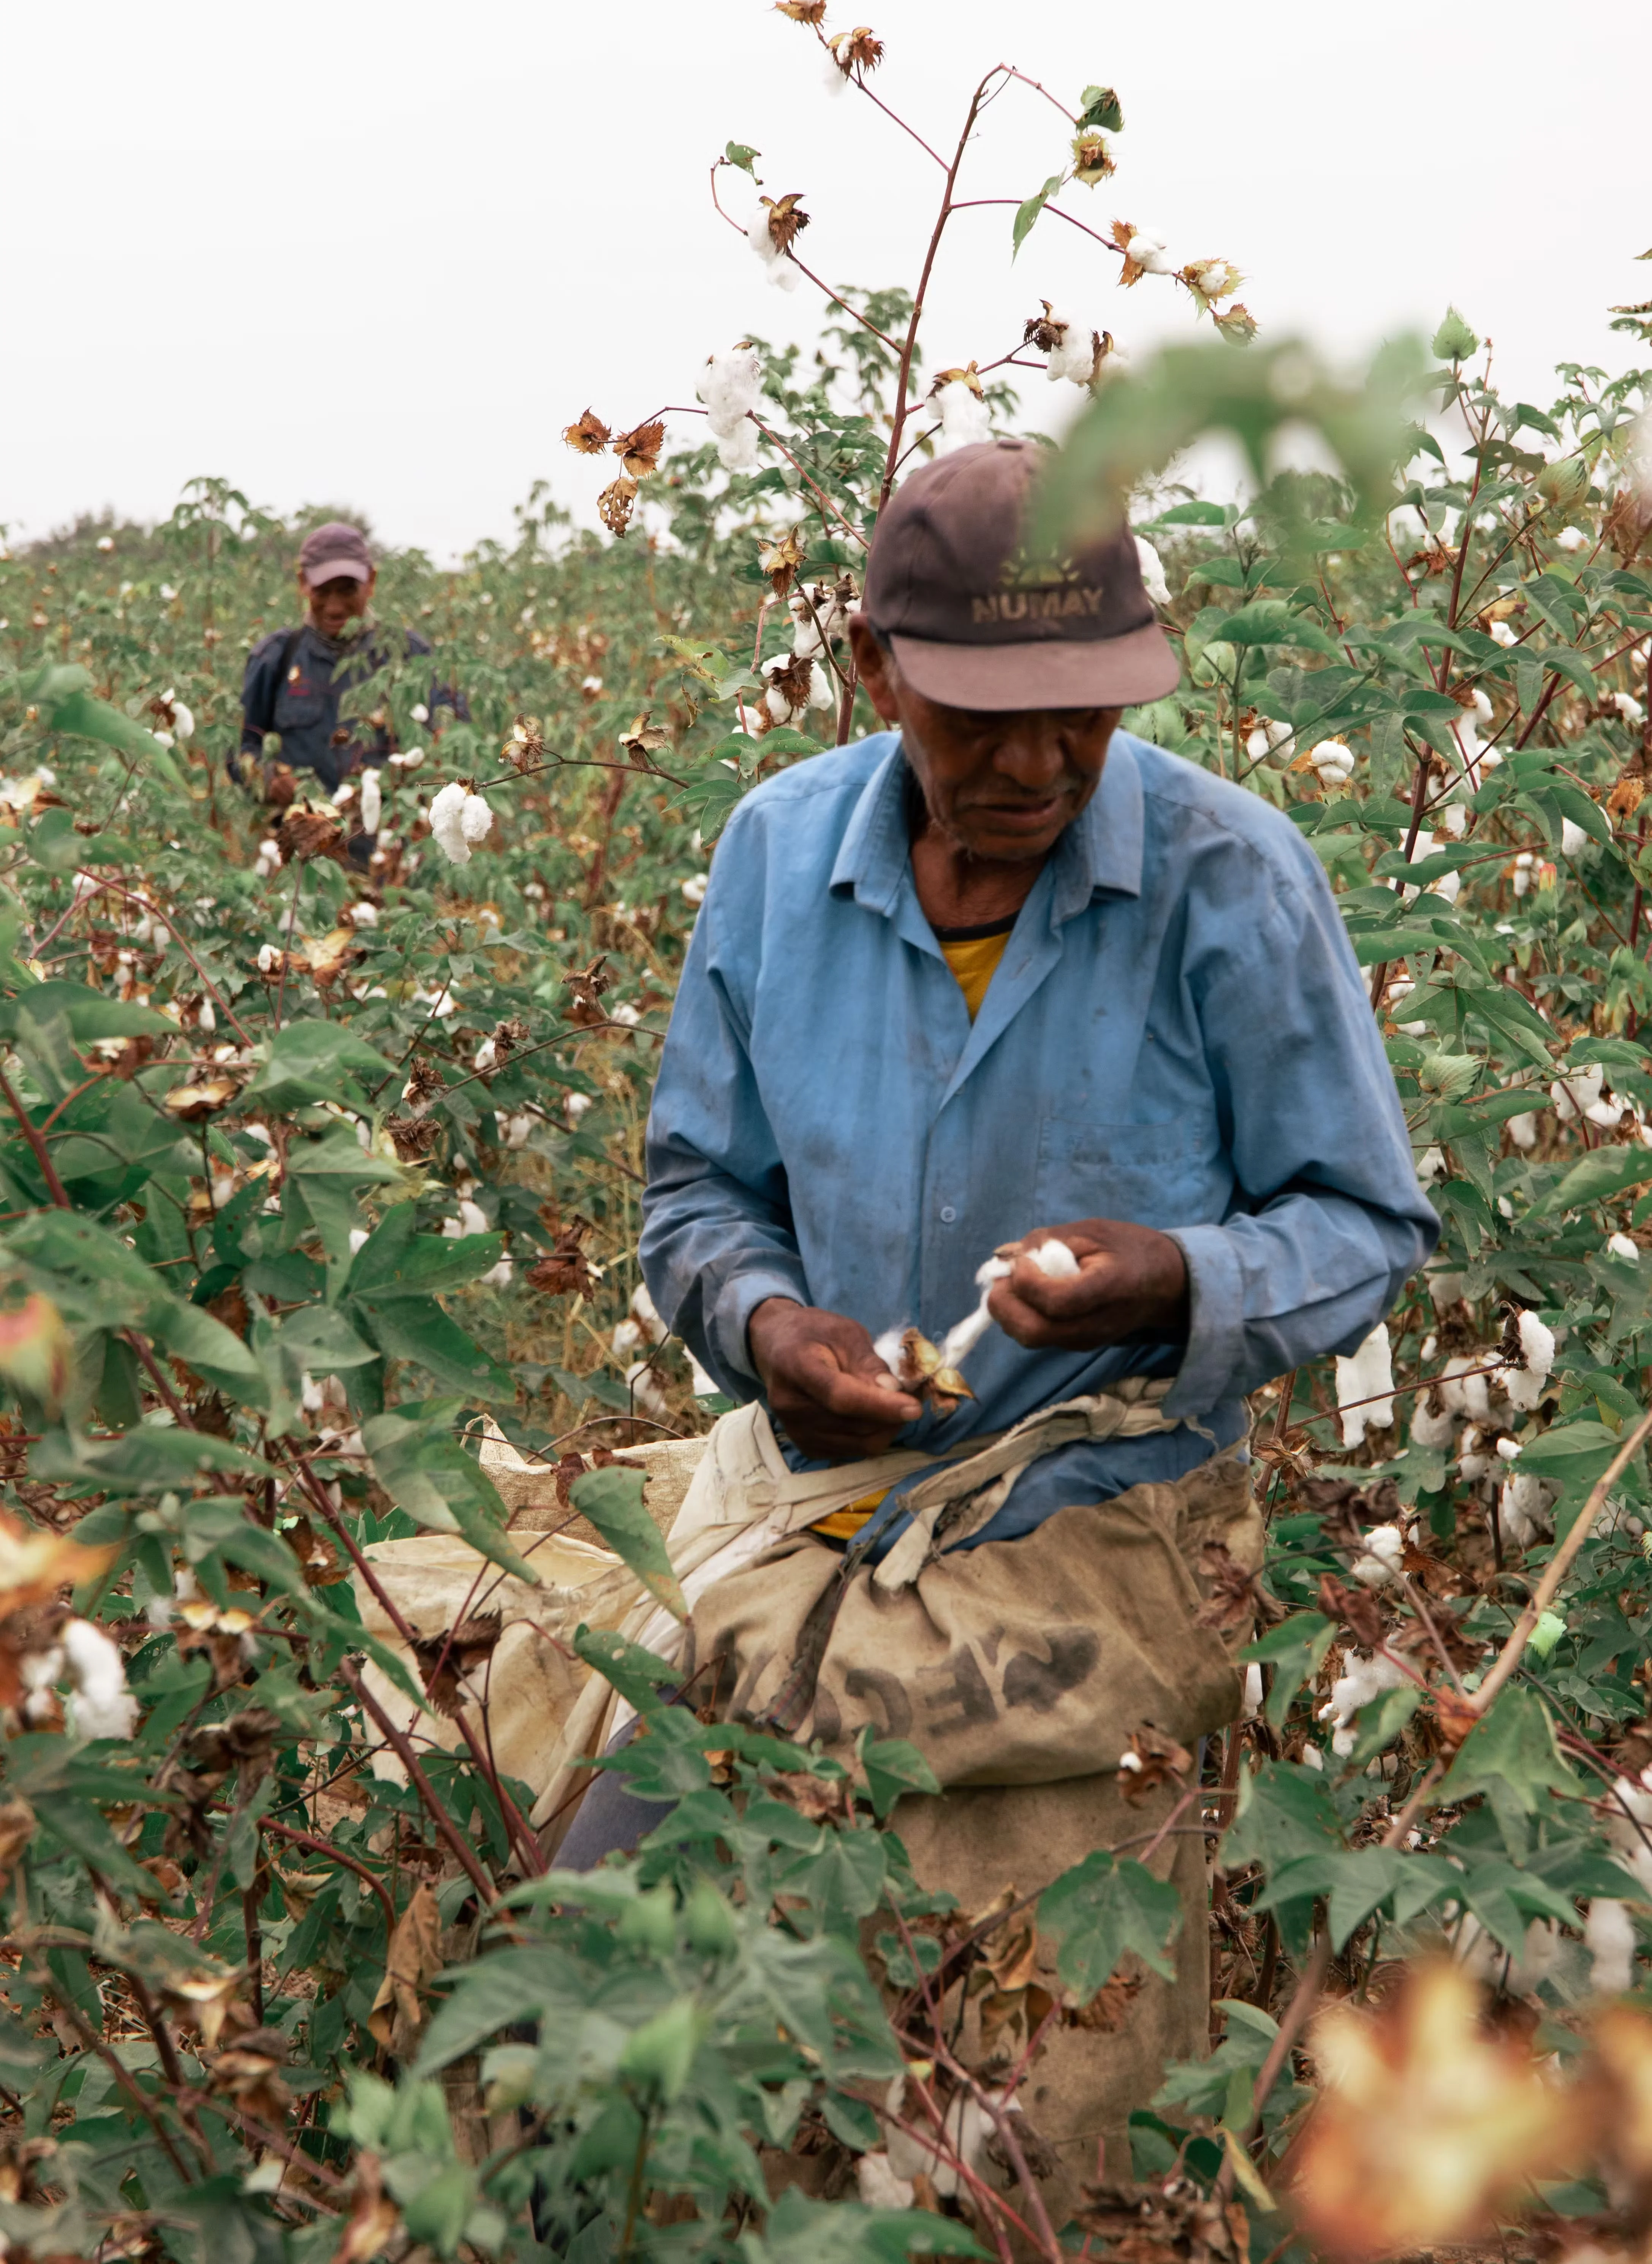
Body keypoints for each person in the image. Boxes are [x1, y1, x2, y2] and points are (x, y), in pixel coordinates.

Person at [618, 437, 1436, 2208]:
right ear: (871, 668)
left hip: (1103, 1519)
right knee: (616, 1823)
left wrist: (1179, 1277)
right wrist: (766, 1327)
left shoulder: (1231, 876)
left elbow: (1365, 1219)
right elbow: (695, 1189)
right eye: (980, 717)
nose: (1037, 762)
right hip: (820, 1483)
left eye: (1082, 712)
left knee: (1014, 2072)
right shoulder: (773, 858)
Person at [233, 521, 463, 811]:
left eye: (347, 590)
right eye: (323, 591)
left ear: (372, 582)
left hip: (392, 842)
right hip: (304, 841)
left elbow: (454, 735)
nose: (335, 606)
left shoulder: (411, 656)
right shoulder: (275, 659)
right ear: (303, 583)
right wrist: (268, 778)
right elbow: (240, 748)